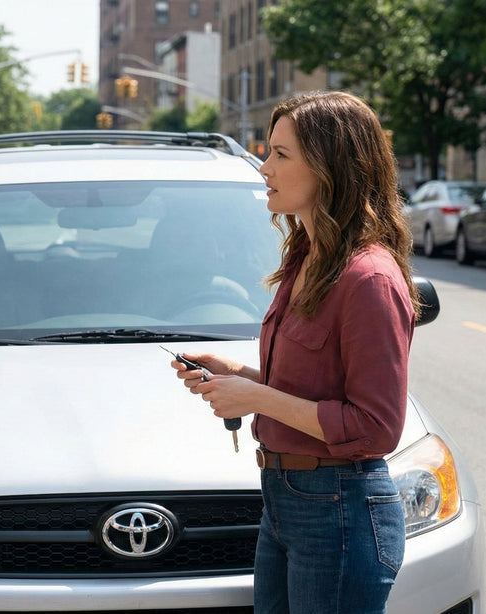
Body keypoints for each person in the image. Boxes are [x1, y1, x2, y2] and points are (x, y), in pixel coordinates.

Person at [170, 90, 420, 614]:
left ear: (331, 167)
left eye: (281, 154)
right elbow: (313, 388)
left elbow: (375, 428)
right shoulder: (307, 256)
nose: (264, 168)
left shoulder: (368, 278)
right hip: (285, 501)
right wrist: (241, 375)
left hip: (339, 508)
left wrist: (256, 397)